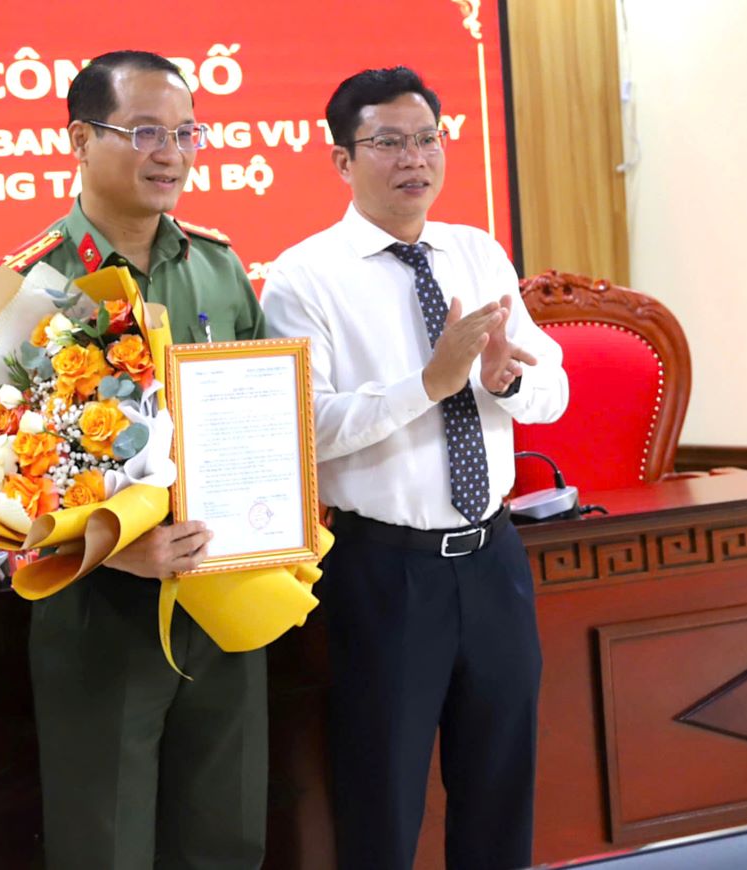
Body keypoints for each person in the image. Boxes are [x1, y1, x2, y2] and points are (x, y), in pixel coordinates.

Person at [260, 66, 569, 869]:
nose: (414, 159)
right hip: (383, 571)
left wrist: (504, 380)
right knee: (383, 800)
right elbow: (306, 429)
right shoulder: (303, 278)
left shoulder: (476, 252)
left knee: (500, 790)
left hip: (494, 558)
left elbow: (554, 389)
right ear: (342, 160)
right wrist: (427, 385)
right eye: (389, 142)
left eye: (428, 138)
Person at [0, 50, 268, 869]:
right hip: (97, 608)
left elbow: (260, 418)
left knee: (227, 836)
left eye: (186, 133)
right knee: (105, 847)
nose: (170, 153)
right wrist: (109, 548)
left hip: (224, 592)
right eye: (144, 132)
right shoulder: (27, 284)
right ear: (80, 139)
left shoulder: (217, 266)